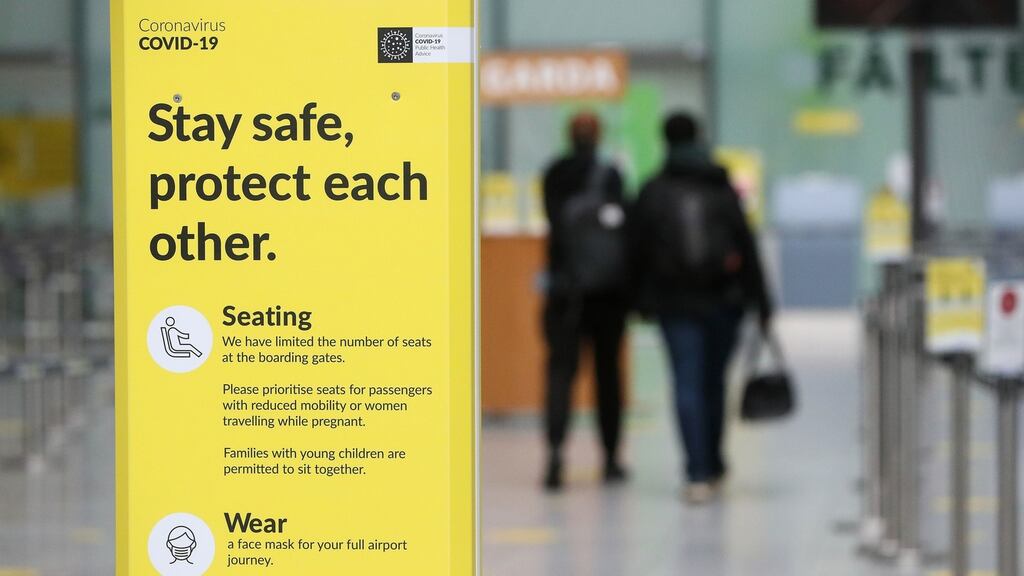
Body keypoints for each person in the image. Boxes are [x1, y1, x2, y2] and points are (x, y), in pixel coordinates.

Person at [631, 112, 773, 504]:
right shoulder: (719, 185)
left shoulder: (653, 190)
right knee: (714, 383)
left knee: (687, 383)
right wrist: (762, 301)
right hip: (724, 301)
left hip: (674, 303)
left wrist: (639, 301)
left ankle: (697, 472)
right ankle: (713, 461)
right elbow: (746, 244)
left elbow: (636, 252)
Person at [541, 111, 630, 491]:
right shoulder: (611, 176)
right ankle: (610, 458)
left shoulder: (554, 175)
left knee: (561, 373)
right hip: (607, 294)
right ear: (598, 136)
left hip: (565, 291)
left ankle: (555, 454)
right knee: (608, 376)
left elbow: (555, 226)